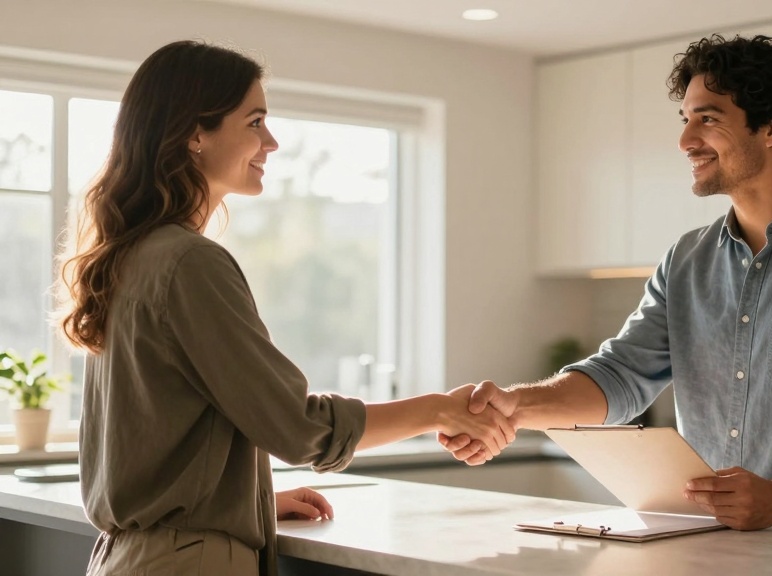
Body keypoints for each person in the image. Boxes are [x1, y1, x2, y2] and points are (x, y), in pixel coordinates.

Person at [441, 34, 772, 534]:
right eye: (686, 120)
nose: (685, 141)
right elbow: (621, 376)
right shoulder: (686, 260)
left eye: (708, 118)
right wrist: (515, 406)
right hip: (703, 550)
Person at [57, 40, 512, 576]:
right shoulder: (189, 262)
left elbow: (156, 432)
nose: (270, 142)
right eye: (254, 122)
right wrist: (437, 409)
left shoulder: (133, 255)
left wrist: (246, 502)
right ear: (193, 134)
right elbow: (297, 427)